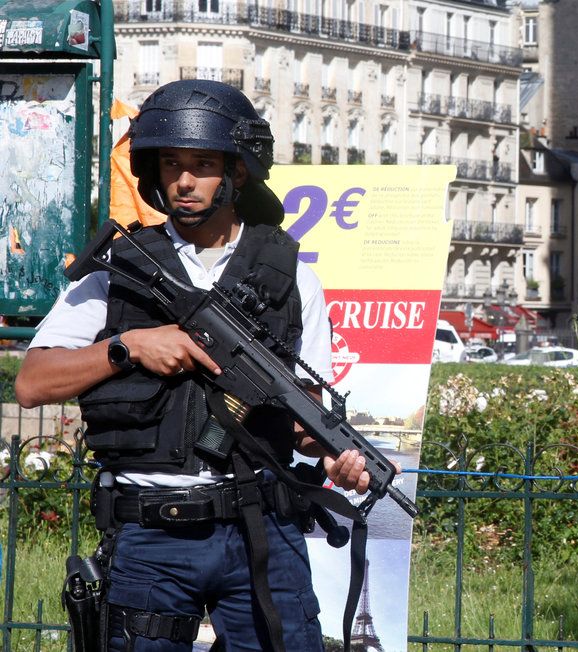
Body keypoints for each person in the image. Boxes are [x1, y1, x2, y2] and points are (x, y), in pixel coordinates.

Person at [15, 79, 370, 652]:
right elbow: (31, 384)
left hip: (261, 526)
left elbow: (304, 415)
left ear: (239, 171)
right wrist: (127, 347)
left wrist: (334, 455)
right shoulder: (119, 271)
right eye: (171, 163)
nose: (184, 180)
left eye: (203, 164)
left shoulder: (292, 277)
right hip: (152, 533)